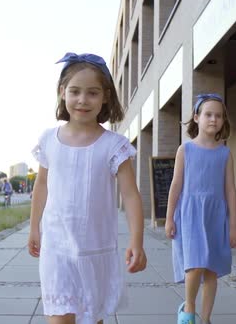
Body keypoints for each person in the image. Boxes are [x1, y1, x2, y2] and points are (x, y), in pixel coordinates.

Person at [28, 52, 147, 324]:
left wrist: (137, 241)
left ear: (105, 96)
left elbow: (130, 195)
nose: (82, 100)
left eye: (92, 93)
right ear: (62, 93)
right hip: (56, 247)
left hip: (96, 247)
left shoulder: (113, 145)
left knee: (92, 317)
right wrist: (34, 227)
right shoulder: (49, 140)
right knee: (59, 316)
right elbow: (42, 186)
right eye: (75, 91)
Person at [165, 93, 236, 324]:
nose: (213, 119)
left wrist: (234, 226)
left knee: (211, 270)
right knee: (195, 264)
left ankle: (206, 318)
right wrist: (169, 218)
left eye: (218, 116)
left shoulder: (224, 153)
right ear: (197, 118)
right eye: (208, 114)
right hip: (189, 215)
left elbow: (230, 190)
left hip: (215, 216)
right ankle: (189, 308)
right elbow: (176, 185)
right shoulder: (185, 150)